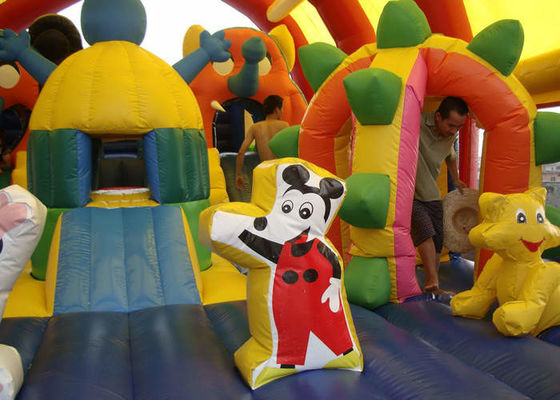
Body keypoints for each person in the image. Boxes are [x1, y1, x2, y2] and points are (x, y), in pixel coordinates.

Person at [411, 96, 468, 295]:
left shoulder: (450, 136)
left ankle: (433, 287)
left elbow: (451, 157)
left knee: (437, 240)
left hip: (432, 192)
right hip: (409, 192)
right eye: (451, 125)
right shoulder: (416, 121)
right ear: (438, 117)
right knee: (425, 232)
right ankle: (432, 280)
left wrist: (457, 179)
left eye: (459, 127)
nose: (454, 131)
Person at [235, 95, 289, 190]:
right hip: (281, 172)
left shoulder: (255, 127)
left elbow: (241, 152)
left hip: (265, 172)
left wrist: (238, 174)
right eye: (282, 108)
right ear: (277, 109)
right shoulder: (284, 126)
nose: (282, 111)